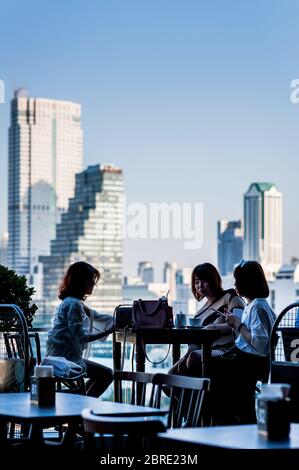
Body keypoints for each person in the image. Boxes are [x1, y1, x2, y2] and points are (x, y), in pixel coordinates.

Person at [200, 260, 276, 424]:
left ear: (247, 283)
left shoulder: (257, 308)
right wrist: (233, 322)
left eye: (238, 281)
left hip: (251, 361)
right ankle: (221, 417)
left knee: (208, 369)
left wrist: (237, 324)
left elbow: (258, 345)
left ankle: (218, 418)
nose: (234, 285)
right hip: (247, 358)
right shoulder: (254, 305)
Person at [46, 261, 114, 397]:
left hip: (59, 357)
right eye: (91, 280)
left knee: (104, 374)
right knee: (107, 374)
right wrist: (109, 331)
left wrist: (117, 319)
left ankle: (81, 402)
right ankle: (82, 405)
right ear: (81, 281)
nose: (93, 284)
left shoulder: (72, 302)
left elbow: (98, 316)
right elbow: (81, 337)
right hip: (67, 360)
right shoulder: (74, 304)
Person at [169, 263, 245, 375]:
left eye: (204, 281)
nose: (200, 286)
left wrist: (211, 328)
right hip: (202, 350)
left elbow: (241, 324)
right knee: (170, 374)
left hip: (228, 350)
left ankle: (193, 391)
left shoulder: (230, 298)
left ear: (214, 280)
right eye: (196, 282)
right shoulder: (199, 313)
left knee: (192, 358)